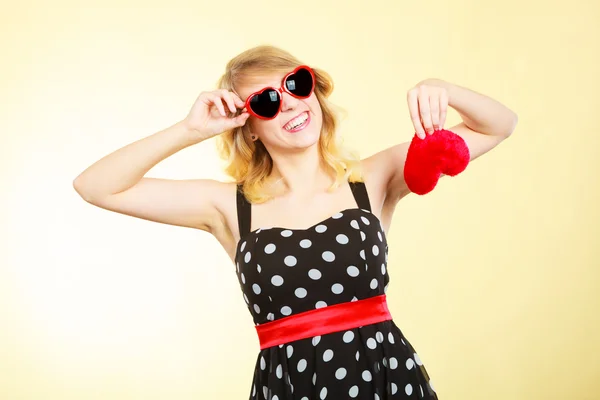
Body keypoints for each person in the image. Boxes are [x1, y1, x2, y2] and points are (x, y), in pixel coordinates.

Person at [73, 45, 517, 399]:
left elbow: (498, 126)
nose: (288, 105)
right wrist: (189, 130)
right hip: (290, 387)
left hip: (385, 379)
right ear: (248, 126)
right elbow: (96, 186)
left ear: (314, 91)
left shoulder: (373, 176)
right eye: (266, 102)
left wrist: (440, 87)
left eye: (296, 84)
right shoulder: (230, 206)